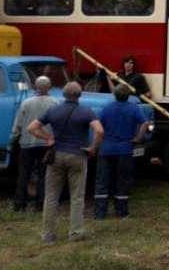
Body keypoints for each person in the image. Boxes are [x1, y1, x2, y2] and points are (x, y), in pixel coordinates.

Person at [28, 82, 104, 242]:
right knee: (77, 197)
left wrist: (48, 138)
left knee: (51, 197)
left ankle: (47, 234)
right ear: (79, 95)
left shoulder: (53, 111)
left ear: (63, 94)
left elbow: (32, 128)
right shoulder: (86, 111)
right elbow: (99, 130)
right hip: (77, 155)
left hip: (56, 155)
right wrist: (93, 148)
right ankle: (75, 233)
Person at [93, 83, 150, 219]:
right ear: (128, 95)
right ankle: (121, 211)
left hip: (106, 149)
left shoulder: (107, 108)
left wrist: (95, 146)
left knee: (102, 180)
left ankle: (100, 212)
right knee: (123, 180)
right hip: (124, 149)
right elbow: (145, 123)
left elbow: (98, 126)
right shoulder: (133, 108)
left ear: (115, 95)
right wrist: (138, 138)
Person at [8, 76, 56, 212]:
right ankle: (40, 204)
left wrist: (12, 142)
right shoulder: (55, 103)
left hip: (27, 143)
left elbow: (17, 125)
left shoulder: (26, 103)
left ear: (35, 86)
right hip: (46, 144)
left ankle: (20, 204)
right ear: (49, 87)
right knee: (44, 175)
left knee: (23, 174)